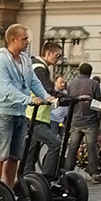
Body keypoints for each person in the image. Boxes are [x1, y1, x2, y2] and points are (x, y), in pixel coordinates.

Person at [0, 25, 52, 187]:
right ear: (13, 39)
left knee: (15, 155)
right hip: (4, 113)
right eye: (24, 39)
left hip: (20, 113)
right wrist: (27, 100)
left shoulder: (25, 60)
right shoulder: (0, 61)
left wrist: (46, 96)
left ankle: (8, 188)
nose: (27, 42)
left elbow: (33, 82)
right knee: (0, 153)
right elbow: (5, 88)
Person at [23, 40, 64, 178]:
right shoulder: (39, 68)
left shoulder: (38, 66)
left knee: (30, 155)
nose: (59, 59)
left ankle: (28, 182)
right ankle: (46, 179)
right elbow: (48, 90)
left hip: (37, 116)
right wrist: (68, 98)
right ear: (48, 53)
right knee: (56, 144)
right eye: (58, 56)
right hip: (34, 117)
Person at [64, 63, 101, 181]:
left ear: (79, 71)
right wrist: (98, 119)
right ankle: (94, 172)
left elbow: (68, 101)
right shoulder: (94, 84)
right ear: (90, 73)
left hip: (75, 120)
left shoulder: (71, 84)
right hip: (90, 120)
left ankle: (67, 170)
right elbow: (98, 103)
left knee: (73, 147)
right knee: (91, 148)